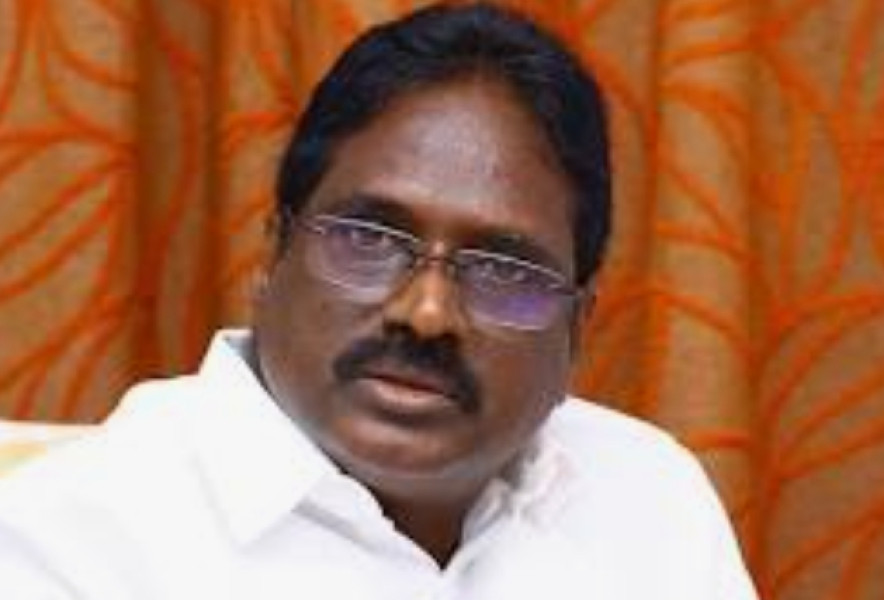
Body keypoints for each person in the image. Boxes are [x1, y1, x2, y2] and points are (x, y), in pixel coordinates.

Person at [0, 3, 758, 598]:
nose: (426, 312)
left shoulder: (646, 498)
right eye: (367, 238)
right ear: (272, 256)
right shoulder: (68, 541)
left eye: (502, 271)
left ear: (577, 327)